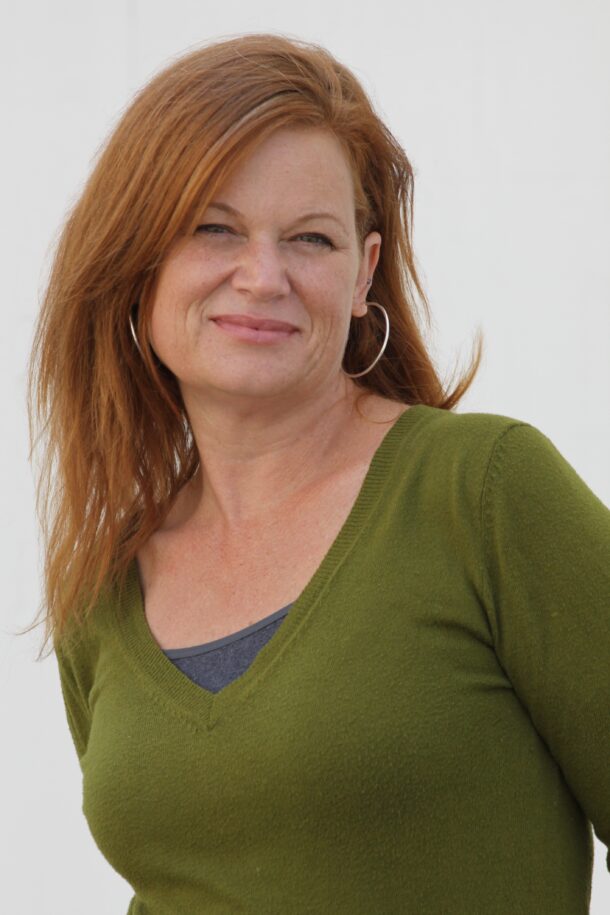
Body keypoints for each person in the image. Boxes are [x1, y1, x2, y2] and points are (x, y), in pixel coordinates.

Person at [25, 32, 609, 914]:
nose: (263, 277)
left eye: (310, 239)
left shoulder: (485, 494)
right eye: (214, 228)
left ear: (363, 272)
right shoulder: (106, 582)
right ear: (137, 258)